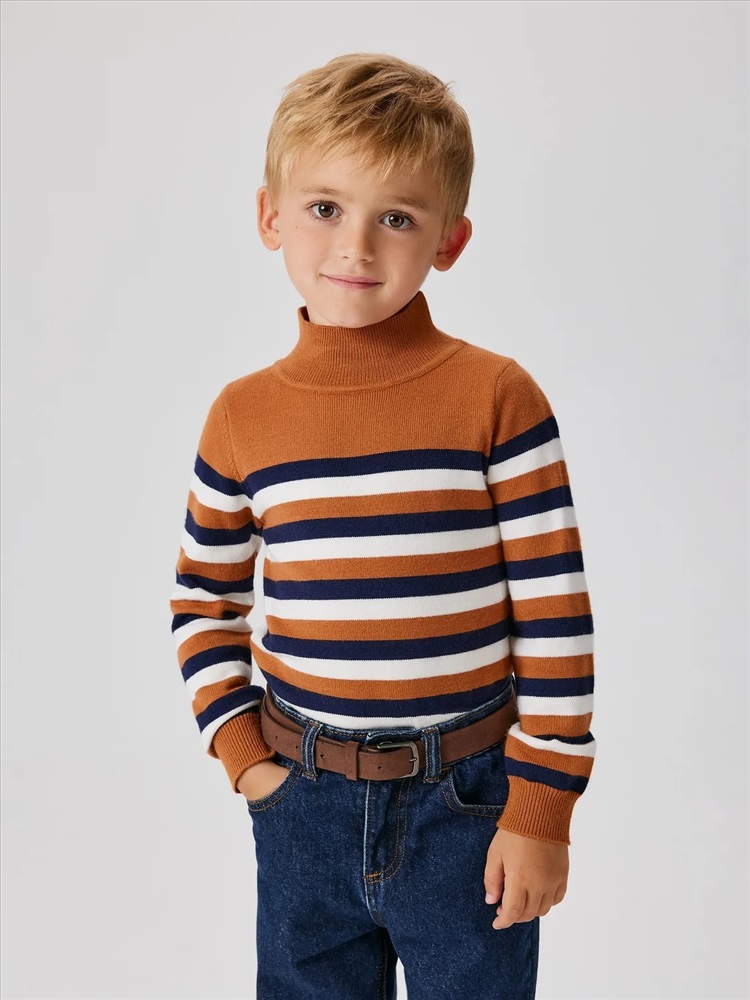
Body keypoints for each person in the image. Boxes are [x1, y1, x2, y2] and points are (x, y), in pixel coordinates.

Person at [170, 52, 596, 1000]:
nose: (356, 246)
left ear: (450, 239)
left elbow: (556, 618)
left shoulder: (497, 398)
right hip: (301, 802)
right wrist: (248, 762)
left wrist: (542, 809)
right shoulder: (242, 417)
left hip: (469, 808)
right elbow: (202, 602)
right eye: (325, 207)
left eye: (396, 217)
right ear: (270, 216)